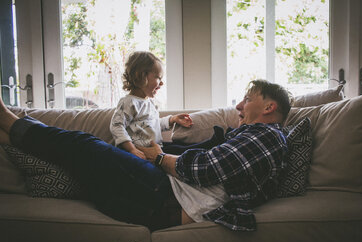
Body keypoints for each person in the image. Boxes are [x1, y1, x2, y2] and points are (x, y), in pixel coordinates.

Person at [0, 79, 291, 232]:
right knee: (85, 154)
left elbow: (207, 168)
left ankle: (11, 124)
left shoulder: (267, 137)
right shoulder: (256, 137)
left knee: (86, 146)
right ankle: (16, 132)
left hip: (165, 199)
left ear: (269, 108)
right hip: (164, 196)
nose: (239, 104)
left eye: (249, 99)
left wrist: (157, 158)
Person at [110, 51, 225, 157]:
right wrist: (131, 149)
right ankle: (212, 144)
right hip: (140, 152)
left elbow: (152, 125)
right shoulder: (129, 102)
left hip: (157, 148)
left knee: (180, 148)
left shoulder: (148, 102)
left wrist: (172, 119)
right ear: (141, 76)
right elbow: (116, 125)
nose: (162, 83)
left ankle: (213, 144)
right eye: (158, 78)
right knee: (179, 150)